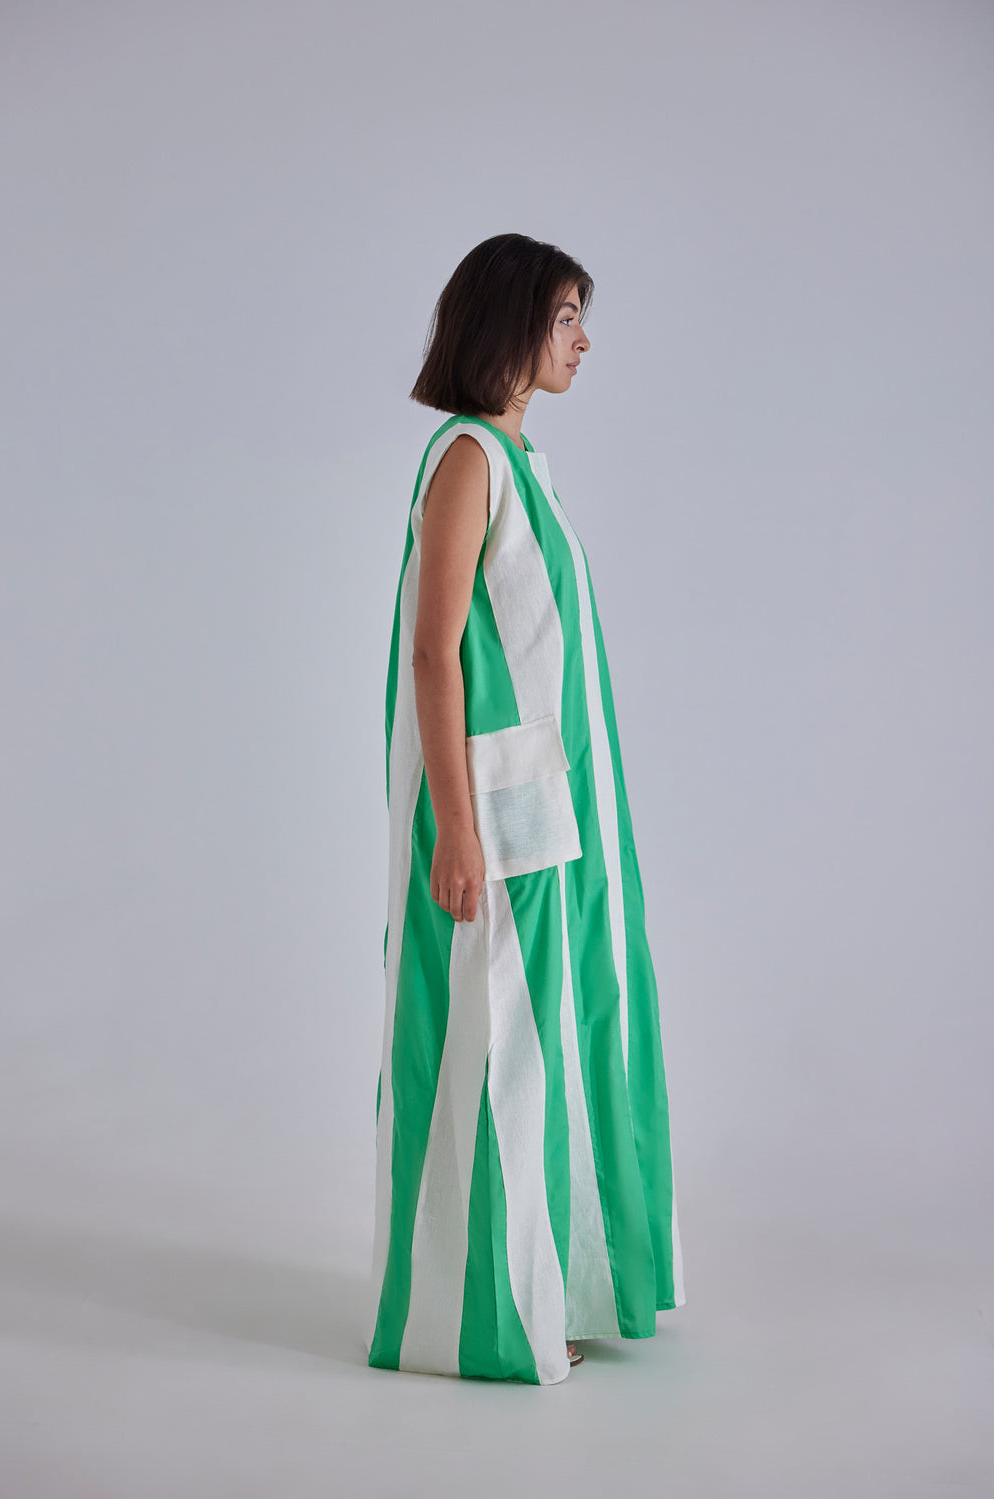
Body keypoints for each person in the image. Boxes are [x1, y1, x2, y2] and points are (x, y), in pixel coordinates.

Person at [366, 233, 685, 1386]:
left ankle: (562, 1286)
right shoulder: (468, 459)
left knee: (560, 1040)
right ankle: (495, 1320)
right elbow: (433, 652)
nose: (584, 339)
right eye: (565, 317)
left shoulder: (520, 458)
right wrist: (454, 828)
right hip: (496, 814)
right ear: (509, 325)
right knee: (500, 1048)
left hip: (554, 804)